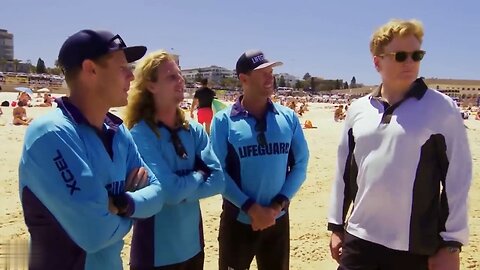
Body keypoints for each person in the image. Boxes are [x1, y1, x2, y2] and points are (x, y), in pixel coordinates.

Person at [328, 19, 472, 270]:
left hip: (413, 248)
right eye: (401, 55)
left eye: (416, 55)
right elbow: (344, 173)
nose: (410, 62)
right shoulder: (358, 110)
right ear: (377, 62)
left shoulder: (441, 108)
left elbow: (458, 178)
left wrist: (451, 243)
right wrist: (336, 226)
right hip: (359, 241)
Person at [19, 29, 166, 270]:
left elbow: (158, 194)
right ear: (91, 70)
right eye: (122, 68)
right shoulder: (51, 134)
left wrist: (119, 203)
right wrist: (135, 208)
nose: (131, 76)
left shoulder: (118, 131)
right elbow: (95, 234)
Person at [124, 50, 225, 269]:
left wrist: (177, 188)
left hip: (193, 248)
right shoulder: (140, 134)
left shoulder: (193, 130)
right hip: (156, 254)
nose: (180, 81)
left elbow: (218, 180)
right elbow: (169, 192)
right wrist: (198, 174)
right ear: (151, 85)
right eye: (171, 77)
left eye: (180, 75)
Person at [211, 50, 309, 270]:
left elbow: (301, 165)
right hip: (238, 221)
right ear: (244, 79)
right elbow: (219, 172)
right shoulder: (224, 121)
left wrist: (275, 207)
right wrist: (252, 209)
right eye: (262, 73)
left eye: (271, 72)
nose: (270, 77)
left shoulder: (288, 117)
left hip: (278, 220)